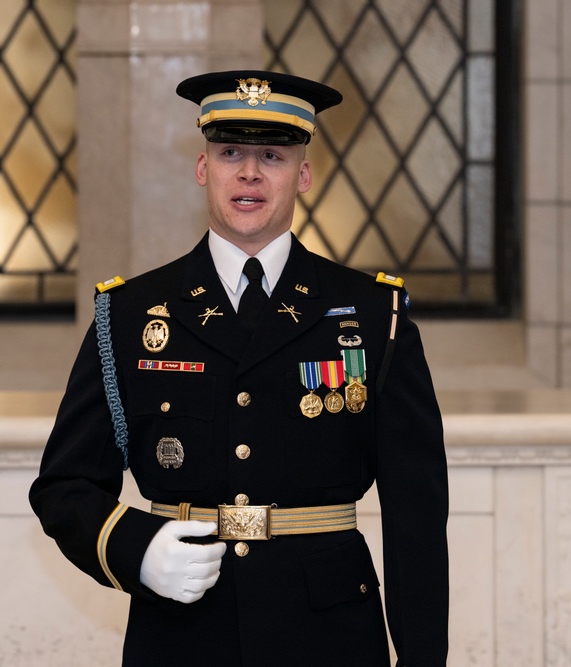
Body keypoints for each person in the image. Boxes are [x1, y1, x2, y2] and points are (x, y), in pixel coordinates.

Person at [29, 69, 448, 666]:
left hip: (327, 638)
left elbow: (417, 513)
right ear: (203, 168)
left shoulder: (373, 314)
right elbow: (64, 485)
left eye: (272, 156)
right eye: (230, 153)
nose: (249, 173)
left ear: (303, 175)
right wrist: (137, 550)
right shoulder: (130, 313)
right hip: (183, 635)